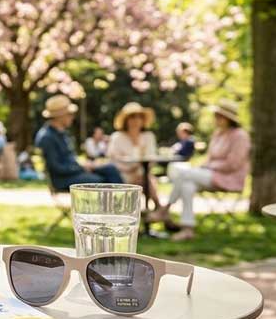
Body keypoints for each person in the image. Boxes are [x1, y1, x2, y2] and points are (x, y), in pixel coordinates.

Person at [150, 101, 250, 241]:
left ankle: (164, 210)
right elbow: (209, 158)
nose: (216, 119)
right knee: (187, 185)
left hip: (230, 178)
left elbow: (233, 164)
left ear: (228, 119)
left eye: (219, 116)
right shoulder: (218, 134)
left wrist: (209, 167)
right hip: (212, 175)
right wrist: (204, 166)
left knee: (184, 174)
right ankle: (187, 229)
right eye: (216, 115)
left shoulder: (240, 136)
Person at [34, 95, 123, 190]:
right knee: (101, 181)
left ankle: (123, 197)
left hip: (74, 172)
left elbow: (69, 159)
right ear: (60, 116)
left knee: (110, 169)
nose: (72, 117)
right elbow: (56, 168)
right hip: (63, 179)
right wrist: (82, 168)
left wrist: (84, 165)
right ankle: (117, 198)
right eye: (69, 114)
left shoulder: (62, 134)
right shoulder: (47, 137)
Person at [106, 101, 161, 207]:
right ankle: (158, 209)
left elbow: (151, 159)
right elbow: (113, 160)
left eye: (139, 117)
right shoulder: (117, 137)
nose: (135, 120)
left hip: (143, 173)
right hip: (122, 175)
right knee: (145, 179)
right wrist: (131, 170)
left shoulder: (148, 136)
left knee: (146, 178)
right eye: (132, 117)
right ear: (126, 120)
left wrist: (139, 170)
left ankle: (155, 208)